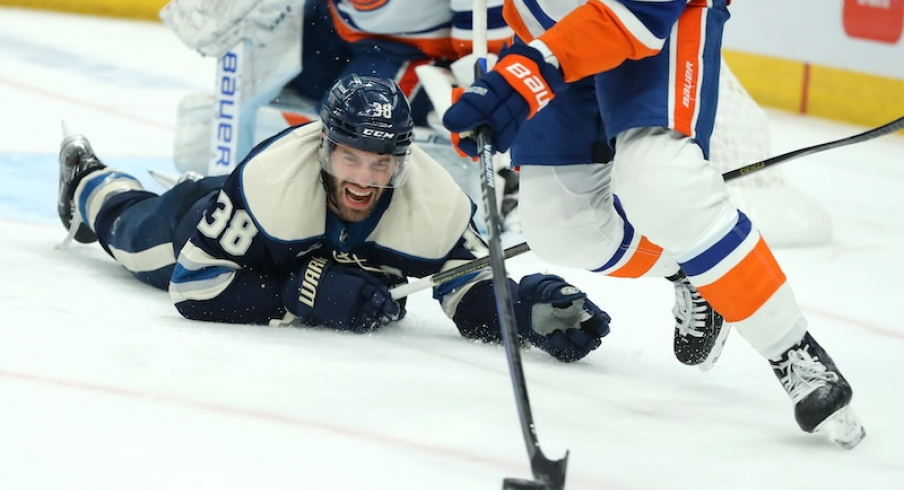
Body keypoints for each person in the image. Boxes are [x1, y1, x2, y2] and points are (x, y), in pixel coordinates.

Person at [442, 1, 866, 448]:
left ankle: (794, 352)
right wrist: (484, 83)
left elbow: (641, 11)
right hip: (547, 31)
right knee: (563, 228)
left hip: (651, 18)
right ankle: (694, 271)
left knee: (659, 180)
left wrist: (530, 72)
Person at [55, 74, 611, 363]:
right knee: (128, 229)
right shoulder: (269, 183)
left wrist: (523, 310)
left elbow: (464, 290)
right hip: (207, 225)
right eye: (351, 157)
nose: (366, 178)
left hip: (280, 247)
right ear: (325, 148)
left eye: (381, 162)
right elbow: (195, 288)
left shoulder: (437, 204)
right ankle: (87, 178)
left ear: (403, 159)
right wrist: (300, 296)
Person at [161, 0, 523, 231]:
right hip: (336, 28)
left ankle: (506, 182)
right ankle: (227, 184)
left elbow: (481, 54)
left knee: (353, 115)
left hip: (410, 52)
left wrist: (470, 100)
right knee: (259, 43)